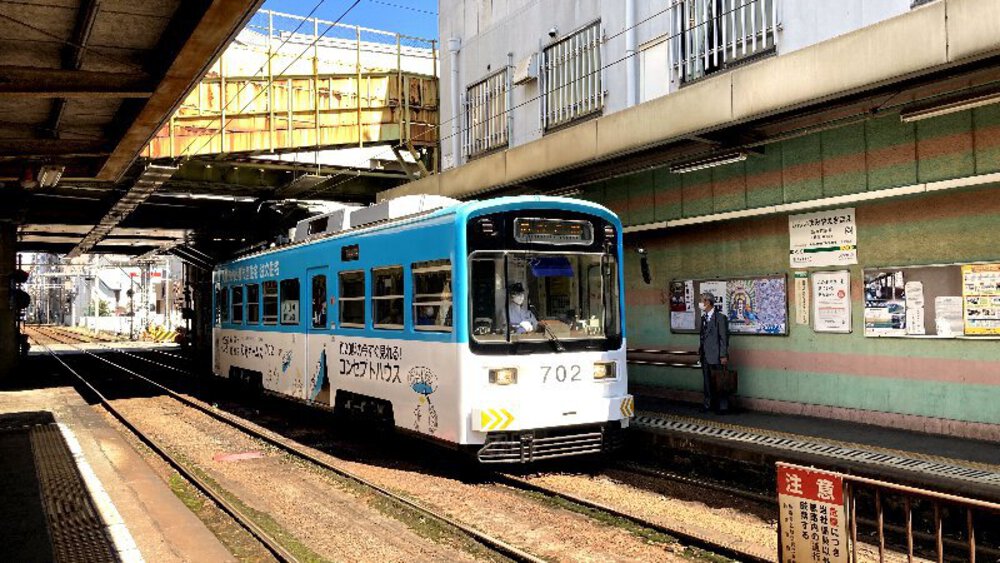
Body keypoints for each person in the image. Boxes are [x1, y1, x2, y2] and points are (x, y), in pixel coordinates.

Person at [698, 292, 730, 413]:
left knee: (720, 381)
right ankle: (708, 404)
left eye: (702, 300)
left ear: (708, 302)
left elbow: (724, 338)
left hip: (717, 356)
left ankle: (722, 406)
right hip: (705, 355)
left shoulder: (720, 318)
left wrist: (723, 355)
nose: (700, 303)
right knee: (707, 381)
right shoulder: (703, 318)